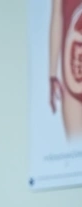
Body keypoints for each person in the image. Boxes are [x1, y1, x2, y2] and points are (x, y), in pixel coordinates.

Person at [50, 0, 82, 139]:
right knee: (75, 153)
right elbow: (57, 15)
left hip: (72, 72)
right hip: (72, 76)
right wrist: (52, 75)